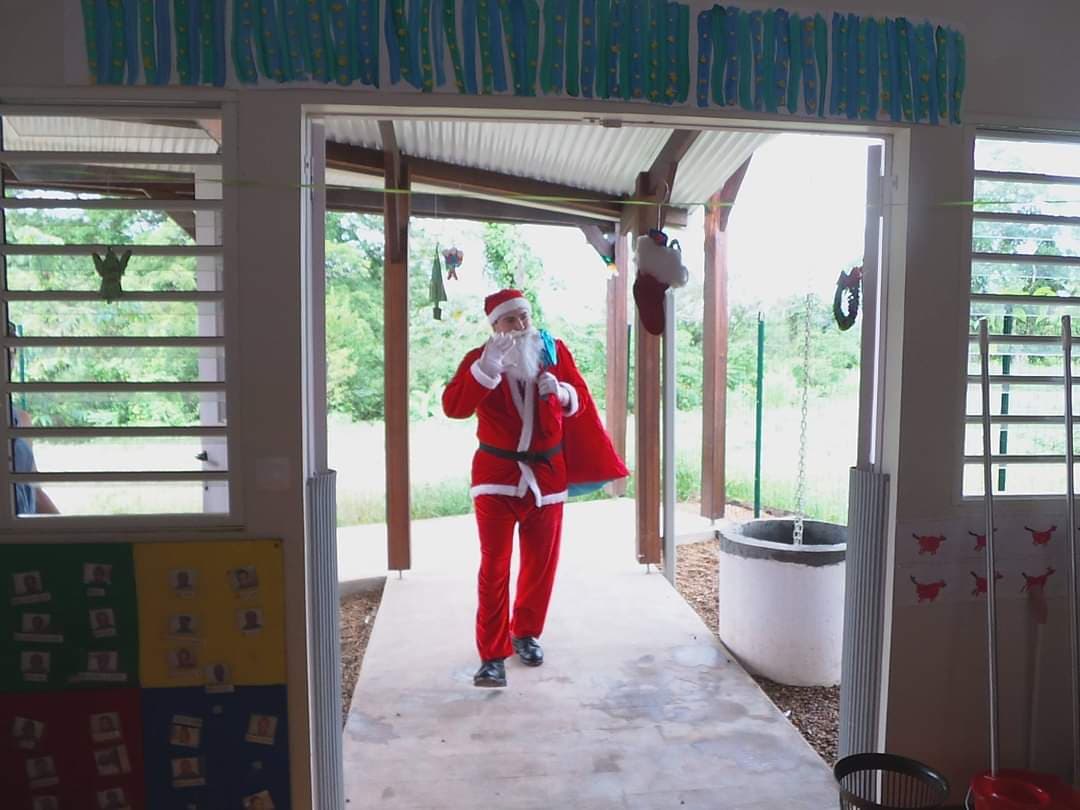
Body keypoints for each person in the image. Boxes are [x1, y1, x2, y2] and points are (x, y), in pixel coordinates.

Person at [442, 289, 628, 687]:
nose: (522, 325)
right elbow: (454, 407)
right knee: (494, 566)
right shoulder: (480, 359)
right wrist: (484, 370)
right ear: (495, 327)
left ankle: (526, 633)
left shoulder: (553, 350)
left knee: (541, 564)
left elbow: (580, 396)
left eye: (525, 317)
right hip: (497, 479)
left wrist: (563, 394)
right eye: (511, 320)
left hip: (547, 477)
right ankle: (491, 656)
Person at [9, 322, 58, 515]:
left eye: (12, 353)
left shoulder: (21, 419)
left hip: (22, 539)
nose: (7, 360)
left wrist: (74, 536)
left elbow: (35, 492)